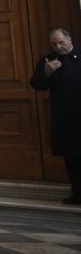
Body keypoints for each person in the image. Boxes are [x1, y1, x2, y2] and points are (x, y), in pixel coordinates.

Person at [29, 28, 81, 204]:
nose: (58, 47)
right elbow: (37, 85)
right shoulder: (48, 60)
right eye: (54, 44)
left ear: (69, 38)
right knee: (71, 156)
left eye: (61, 42)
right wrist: (46, 73)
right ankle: (77, 194)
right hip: (64, 118)